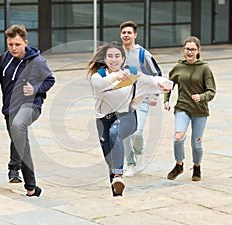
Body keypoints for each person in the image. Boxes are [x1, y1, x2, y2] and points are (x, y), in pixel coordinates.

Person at [0, 24, 55, 197]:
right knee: (19, 139)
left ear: (25, 42)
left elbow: (50, 80)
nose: (13, 48)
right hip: (9, 109)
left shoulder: (37, 62)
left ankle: (16, 170)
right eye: (10, 44)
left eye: (17, 44)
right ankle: (30, 187)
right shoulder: (2, 60)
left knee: (18, 126)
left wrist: (35, 88)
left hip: (31, 106)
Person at [87, 41, 172, 196]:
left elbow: (151, 80)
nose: (114, 60)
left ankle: (119, 175)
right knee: (111, 160)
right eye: (110, 56)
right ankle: (117, 190)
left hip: (127, 117)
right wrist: (115, 76)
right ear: (105, 60)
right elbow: (100, 85)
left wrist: (165, 83)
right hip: (103, 120)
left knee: (115, 133)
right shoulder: (98, 76)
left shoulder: (131, 73)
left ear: (123, 59)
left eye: (117, 56)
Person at [164, 36, 216, 181]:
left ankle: (197, 167)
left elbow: (211, 91)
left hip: (200, 111)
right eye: (187, 49)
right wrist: (166, 100)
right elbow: (169, 85)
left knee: (196, 143)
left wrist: (201, 97)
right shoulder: (178, 67)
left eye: (193, 49)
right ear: (183, 50)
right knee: (178, 137)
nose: (190, 52)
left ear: (198, 51)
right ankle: (179, 164)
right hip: (183, 107)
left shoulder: (204, 68)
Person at [120, 21, 163, 176]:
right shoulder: (117, 54)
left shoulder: (143, 54)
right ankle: (130, 164)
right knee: (124, 133)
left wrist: (153, 95)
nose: (126, 35)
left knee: (137, 132)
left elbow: (156, 74)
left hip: (142, 100)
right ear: (120, 35)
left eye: (129, 32)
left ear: (135, 35)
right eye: (124, 32)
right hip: (123, 101)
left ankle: (140, 153)